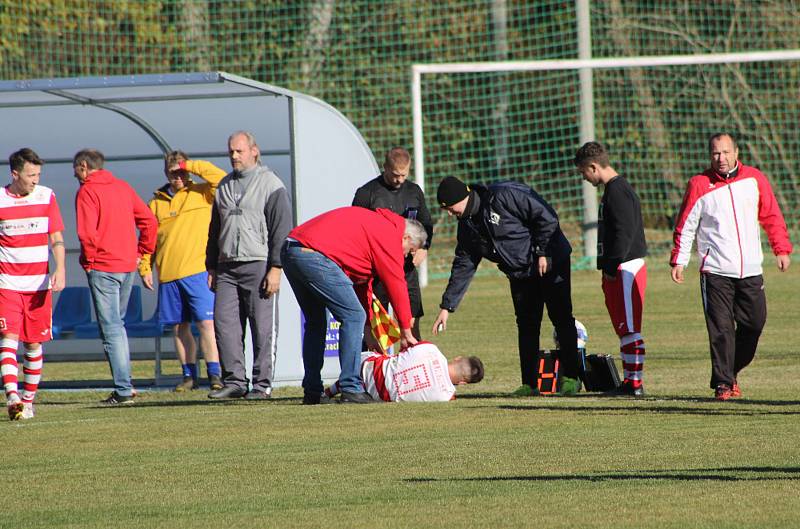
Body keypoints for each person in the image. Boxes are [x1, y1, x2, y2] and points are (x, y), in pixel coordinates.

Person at [431, 176, 581, 396]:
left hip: (550, 261)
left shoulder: (503, 196)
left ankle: (571, 378)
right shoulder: (466, 227)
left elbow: (546, 216)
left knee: (561, 317)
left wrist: (543, 252)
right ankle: (529, 384)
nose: (448, 213)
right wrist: (447, 306)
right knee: (527, 326)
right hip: (520, 274)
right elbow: (464, 265)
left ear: (463, 197)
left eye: (450, 208)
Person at [670, 133, 792, 401]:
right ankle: (724, 384)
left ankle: (730, 371)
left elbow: (771, 214)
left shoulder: (754, 179)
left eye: (725, 152)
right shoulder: (699, 184)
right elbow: (686, 225)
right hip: (715, 271)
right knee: (722, 329)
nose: (721, 158)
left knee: (754, 324)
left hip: (750, 269)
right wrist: (679, 260)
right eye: (715, 153)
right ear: (709, 155)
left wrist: (781, 248)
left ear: (736, 152)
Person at [281, 207, 425, 405]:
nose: (406, 257)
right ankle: (351, 387)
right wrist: (406, 331)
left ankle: (313, 391)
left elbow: (361, 284)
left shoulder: (377, 227)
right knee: (353, 316)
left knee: (316, 322)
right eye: (409, 252)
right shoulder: (390, 234)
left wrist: (367, 330)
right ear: (406, 238)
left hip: (292, 250)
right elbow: (397, 284)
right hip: (313, 254)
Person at [206, 131, 292, 400]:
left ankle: (261, 384)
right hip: (227, 267)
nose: (234, 156)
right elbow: (214, 229)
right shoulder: (223, 185)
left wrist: (276, 267)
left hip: (259, 264)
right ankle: (234, 382)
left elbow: (282, 230)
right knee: (225, 325)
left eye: (239, 151)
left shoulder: (271, 184)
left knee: (262, 327)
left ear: (254, 151)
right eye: (231, 151)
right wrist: (211, 266)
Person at [74, 148, 157, 405]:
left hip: (104, 267)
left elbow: (87, 234)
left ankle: (123, 389)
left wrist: (88, 262)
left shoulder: (88, 191)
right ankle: (124, 385)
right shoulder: (122, 187)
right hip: (126, 266)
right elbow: (150, 222)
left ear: (84, 166)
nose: (76, 175)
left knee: (111, 328)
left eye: (76, 170)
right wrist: (142, 252)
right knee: (117, 326)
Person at [138, 151, 226, 392]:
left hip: (198, 271)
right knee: (179, 327)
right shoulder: (156, 202)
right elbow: (148, 238)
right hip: (168, 274)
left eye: (181, 172)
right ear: (165, 172)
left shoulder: (203, 193)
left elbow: (221, 178)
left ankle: (215, 374)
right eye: (173, 172)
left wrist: (192, 165)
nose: (177, 177)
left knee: (206, 323)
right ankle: (189, 376)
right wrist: (145, 266)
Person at [574, 141, 648, 397]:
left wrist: (613, 265)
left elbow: (624, 234)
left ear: (593, 167)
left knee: (630, 327)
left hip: (627, 268)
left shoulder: (618, 191)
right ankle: (630, 381)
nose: (584, 177)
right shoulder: (612, 190)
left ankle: (634, 384)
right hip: (620, 267)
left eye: (584, 172)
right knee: (623, 326)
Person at [0, 148, 65, 420]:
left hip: (39, 286)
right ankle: (13, 396)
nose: (35, 180)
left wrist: (61, 268)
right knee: (8, 339)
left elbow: (56, 236)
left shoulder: (46, 195)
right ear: (15, 174)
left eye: (38, 174)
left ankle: (28, 401)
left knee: (34, 344)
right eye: (30, 175)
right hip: (8, 283)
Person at [352, 147, 433, 339]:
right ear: (385, 167)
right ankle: (380, 365)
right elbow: (356, 230)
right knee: (379, 327)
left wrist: (424, 247)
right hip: (377, 271)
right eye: (396, 175)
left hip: (406, 269)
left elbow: (426, 224)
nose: (400, 180)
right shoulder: (367, 193)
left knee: (411, 321)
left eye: (404, 175)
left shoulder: (414, 191)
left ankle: (412, 364)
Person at [325, 342, 484, 402]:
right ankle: (332, 393)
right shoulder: (447, 397)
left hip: (364, 365)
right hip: (376, 396)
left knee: (383, 361)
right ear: (463, 382)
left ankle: (329, 392)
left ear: (457, 358)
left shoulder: (430, 348)